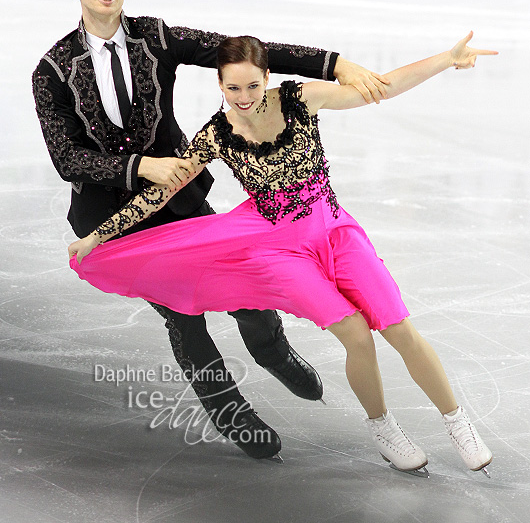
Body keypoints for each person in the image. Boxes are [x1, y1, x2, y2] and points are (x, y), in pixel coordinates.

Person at [69, 32, 497, 476]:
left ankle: (457, 422)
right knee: (355, 334)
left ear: (267, 77)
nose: (243, 97)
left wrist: (447, 59)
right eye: (233, 88)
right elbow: (162, 192)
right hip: (278, 248)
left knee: (398, 327)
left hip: (333, 229)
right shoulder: (215, 135)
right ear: (219, 85)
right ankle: (384, 427)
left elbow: (380, 88)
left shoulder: (300, 100)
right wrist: (98, 236)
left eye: (252, 86)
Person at [32, 0, 392, 461]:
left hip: (178, 201)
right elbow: (67, 159)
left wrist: (333, 64)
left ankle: (270, 347)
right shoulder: (53, 69)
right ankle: (228, 409)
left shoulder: (155, 38)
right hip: (113, 216)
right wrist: (141, 167)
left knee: (243, 279)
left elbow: (241, 53)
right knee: (182, 313)